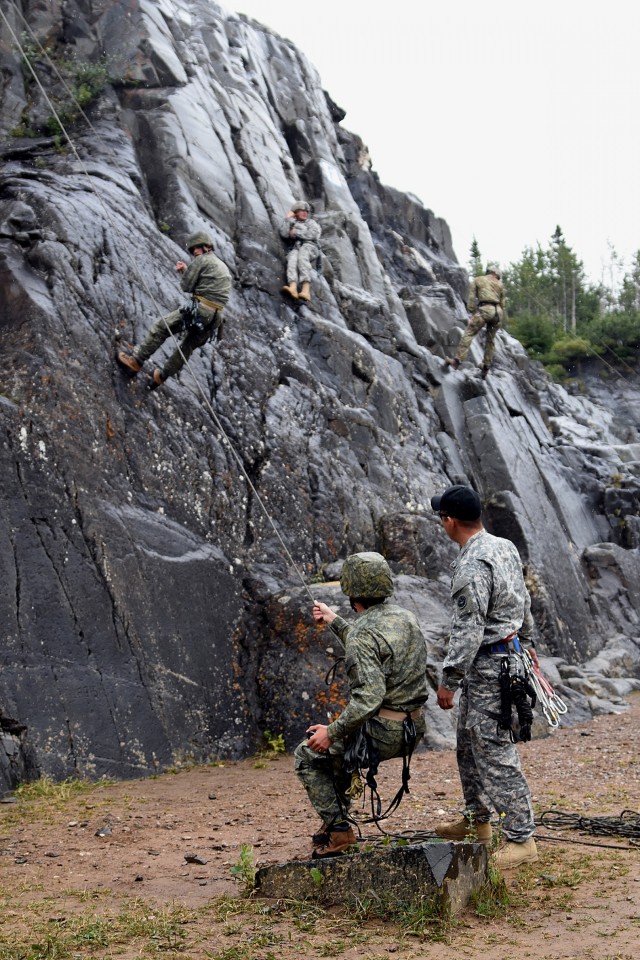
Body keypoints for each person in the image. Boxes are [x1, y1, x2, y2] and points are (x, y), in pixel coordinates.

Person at [430, 484, 539, 870]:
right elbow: (524, 601)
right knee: (467, 745)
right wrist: (527, 645)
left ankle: (522, 839)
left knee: (494, 750)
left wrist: (449, 680)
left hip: (489, 668)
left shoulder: (473, 563)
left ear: (449, 520)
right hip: (503, 661)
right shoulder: (504, 546)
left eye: (440, 517)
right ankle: (477, 822)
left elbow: (468, 629)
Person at [294, 552, 429, 858]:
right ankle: (336, 823)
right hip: (413, 728)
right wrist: (333, 619)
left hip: (384, 733)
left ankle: (340, 832)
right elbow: (372, 642)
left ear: (351, 591)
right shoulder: (405, 618)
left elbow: (368, 697)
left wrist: (332, 731)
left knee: (308, 754)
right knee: (337, 748)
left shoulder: (363, 633)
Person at [116, 230, 232, 390]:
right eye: (192, 251)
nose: (194, 252)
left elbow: (187, 286)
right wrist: (187, 271)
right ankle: (160, 377)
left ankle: (135, 362)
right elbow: (206, 288)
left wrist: (185, 272)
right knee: (187, 347)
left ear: (206, 247)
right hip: (215, 318)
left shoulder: (202, 260)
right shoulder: (222, 266)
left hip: (201, 311)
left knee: (162, 327)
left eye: (197, 248)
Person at [447, 263, 506, 378]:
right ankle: (485, 368)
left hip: (485, 309)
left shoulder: (478, 280)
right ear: (497, 275)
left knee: (469, 333)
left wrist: (472, 313)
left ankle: (457, 361)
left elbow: (471, 298)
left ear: (488, 272)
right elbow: (503, 304)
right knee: (490, 340)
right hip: (498, 313)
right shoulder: (501, 285)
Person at [279, 200, 321, 303]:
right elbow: (284, 234)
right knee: (292, 259)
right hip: (296, 247)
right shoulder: (292, 223)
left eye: (307, 211)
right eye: (302, 210)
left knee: (303, 256)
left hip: (310, 246)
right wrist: (288, 219)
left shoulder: (311, 223)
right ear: (296, 212)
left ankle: (306, 290)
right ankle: (292, 287)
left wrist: (296, 232)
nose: (305, 213)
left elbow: (314, 234)